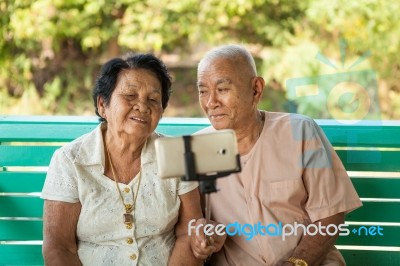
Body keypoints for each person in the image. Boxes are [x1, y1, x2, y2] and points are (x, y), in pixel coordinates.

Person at [190, 44, 363, 266]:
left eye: (222, 89)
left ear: (256, 89)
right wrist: (203, 235)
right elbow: (189, 225)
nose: (211, 102)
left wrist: (297, 262)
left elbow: (331, 213)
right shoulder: (198, 149)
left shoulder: (300, 132)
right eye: (203, 91)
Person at [41, 53, 203, 265]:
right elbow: (59, 248)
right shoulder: (70, 161)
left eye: (153, 99)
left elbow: (188, 233)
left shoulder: (177, 154)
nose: (143, 107)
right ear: (102, 105)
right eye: (130, 96)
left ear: (162, 111)